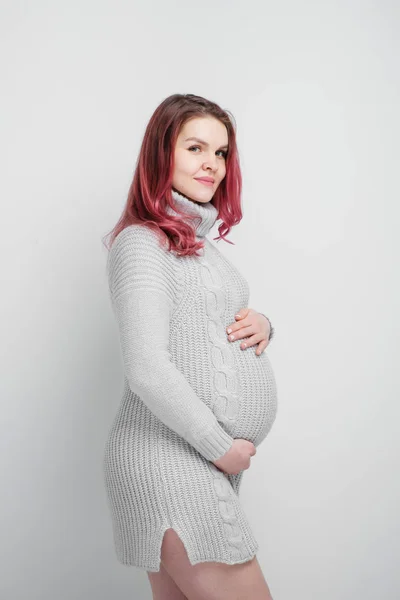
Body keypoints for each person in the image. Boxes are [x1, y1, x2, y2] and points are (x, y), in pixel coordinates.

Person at [102, 93, 278, 600]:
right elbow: (147, 369)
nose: (212, 164)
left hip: (193, 457)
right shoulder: (143, 244)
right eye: (195, 147)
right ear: (162, 154)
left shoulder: (197, 244)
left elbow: (210, 324)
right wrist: (222, 448)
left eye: (221, 153)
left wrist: (265, 324)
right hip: (168, 459)